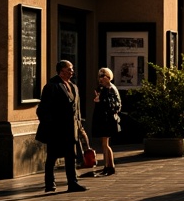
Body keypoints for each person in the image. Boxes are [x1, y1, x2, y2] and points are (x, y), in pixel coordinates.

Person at [36, 59, 87, 193]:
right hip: (56, 130)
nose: (72, 71)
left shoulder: (73, 86)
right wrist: (51, 125)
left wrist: (79, 126)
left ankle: (73, 183)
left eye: (72, 69)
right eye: (69, 69)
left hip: (71, 130)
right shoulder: (52, 86)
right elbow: (42, 110)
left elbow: (77, 109)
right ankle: (50, 184)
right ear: (61, 71)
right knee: (52, 157)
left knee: (71, 157)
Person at [89, 66, 121, 177]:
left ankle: (110, 166)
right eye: (99, 76)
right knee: (104, 144)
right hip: (103, 118)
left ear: (108, 77)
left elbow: (115, 105)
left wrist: (100, 100)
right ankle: (107, 165)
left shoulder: (110, 88)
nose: (101, 78)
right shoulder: (102, 88)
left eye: (103, 76)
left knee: (105, 144)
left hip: (108, 119)